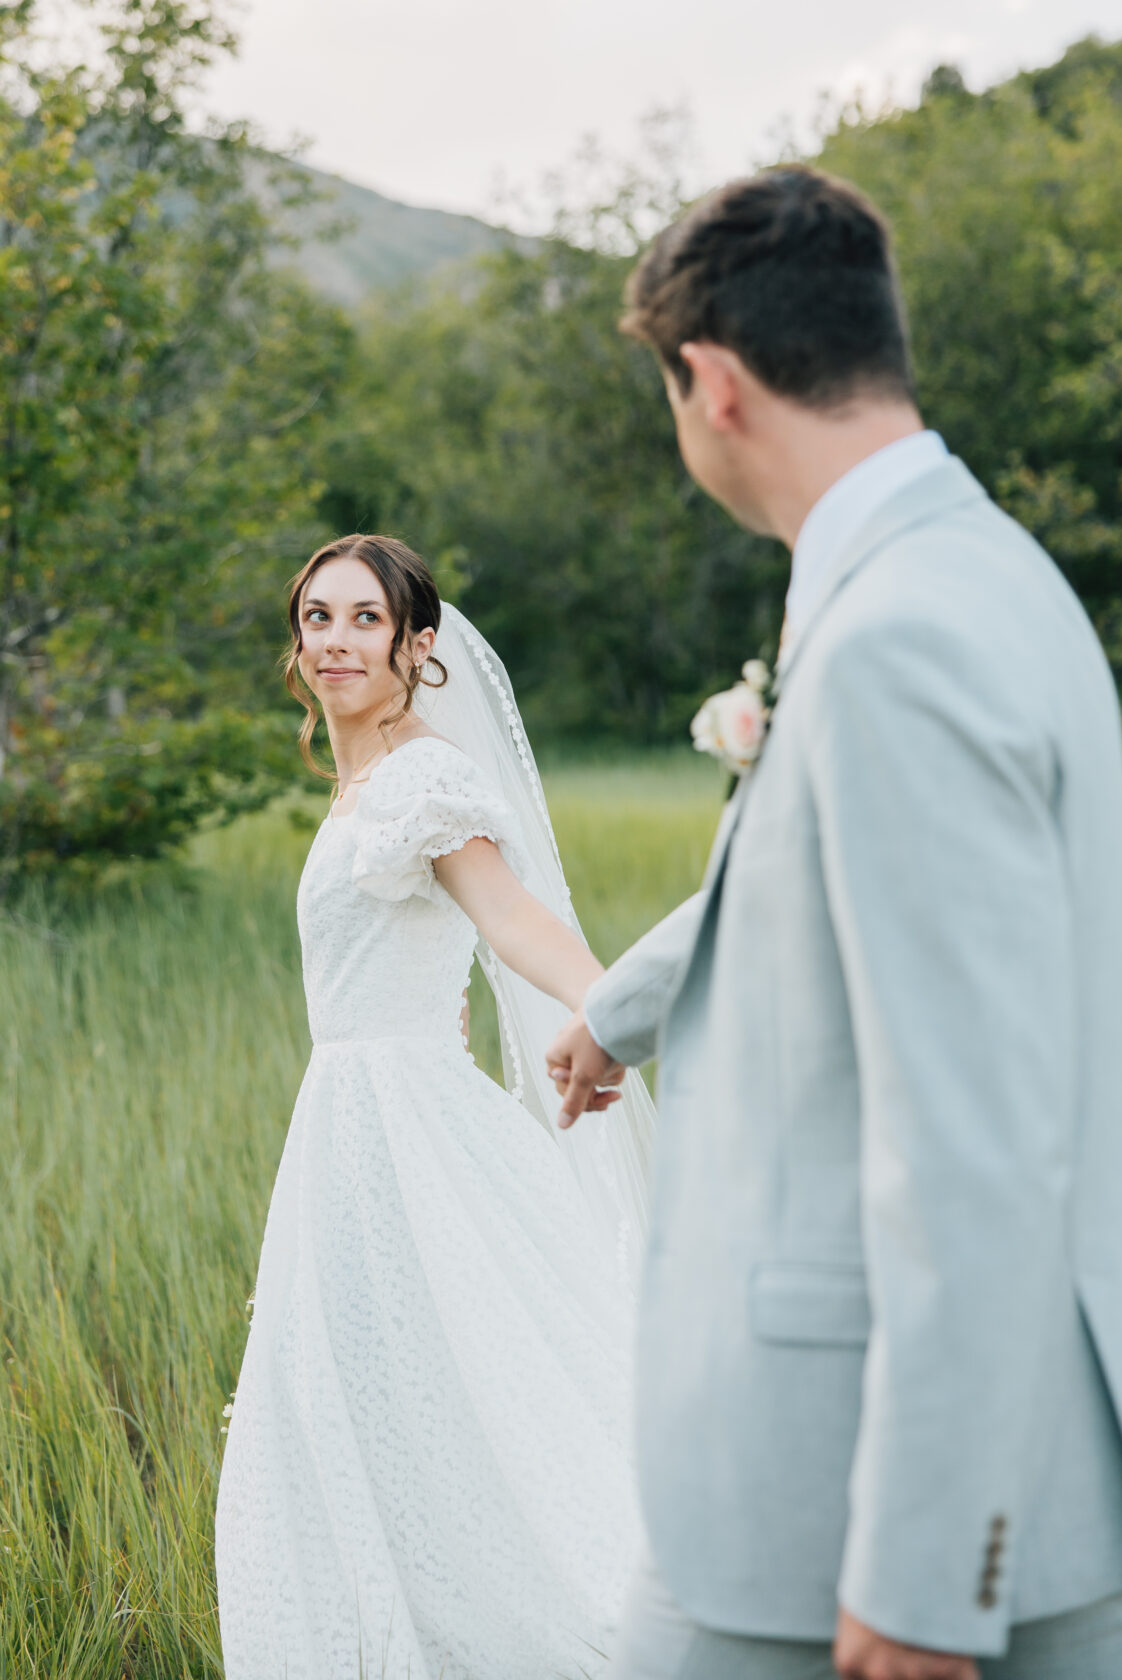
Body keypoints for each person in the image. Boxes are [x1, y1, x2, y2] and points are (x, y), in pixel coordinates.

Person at [546, 165, 1122, 1680]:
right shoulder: (986, 576)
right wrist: (621, 1006)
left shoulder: (898, 635)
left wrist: (922, 1569)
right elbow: (822, 884)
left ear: (710, 385)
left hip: (855, 1506)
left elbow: (973, 1133)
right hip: (1023, 1473)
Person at [215, 534, 656, 1680]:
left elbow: (510, 921)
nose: (334, 642)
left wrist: (620, 1009)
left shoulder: (419, 779)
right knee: (378, 1391)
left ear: (417, 645)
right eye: (317, 618)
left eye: (365, 619)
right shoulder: (361, 780)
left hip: (407, 1124)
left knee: (463, 1376)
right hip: (347, 1119)